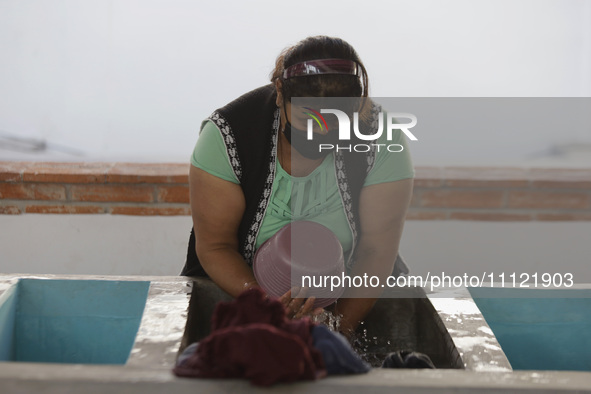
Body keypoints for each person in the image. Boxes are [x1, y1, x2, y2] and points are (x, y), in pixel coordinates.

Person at [181, 36, 414, 337]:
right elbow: (215, 246)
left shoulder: (382, 140)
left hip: (357, 300)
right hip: (240, 296)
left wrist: (336, 330)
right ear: (280, 93)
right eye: (308, 118)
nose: (320, 133)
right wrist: (269, 309)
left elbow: (376, 250)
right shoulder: (229, 136)